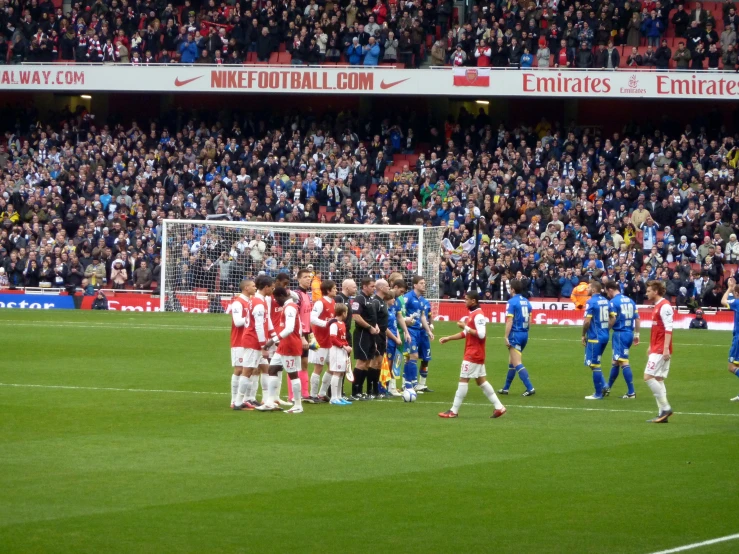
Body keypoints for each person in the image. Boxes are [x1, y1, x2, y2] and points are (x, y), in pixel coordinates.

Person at [438, 291, 506, 419]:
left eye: (466, 300)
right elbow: (465, 333)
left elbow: (481, 334)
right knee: (481, 381)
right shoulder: (473, 314)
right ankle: (499, 407)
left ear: (473, 301)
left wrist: (465, 326)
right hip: (476, 354)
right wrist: (449, 338)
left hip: (473, 354)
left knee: (463, 380)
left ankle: (453, 411)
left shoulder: (478, 315)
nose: (465, 302)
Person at [264, 287, 305, 414]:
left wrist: (272, 340)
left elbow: (290, 328)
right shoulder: (289, 306)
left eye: (276, 298)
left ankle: (298, 405)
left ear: (282, 296)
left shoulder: (290, 308)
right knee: (272, 369)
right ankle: (270, 402)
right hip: (284, 345)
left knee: (292, 374)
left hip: (290, 345)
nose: (276, 301)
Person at [644, 280, 674, 423]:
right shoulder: (657, 306)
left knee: (648, 376)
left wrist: (666, 348)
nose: (646, 293)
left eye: (649, 291)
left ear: (655, 292)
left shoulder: (665, 306)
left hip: (662, 348)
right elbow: (657, 329)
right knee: (659, 378)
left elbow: (669, 328)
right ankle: (662, 413)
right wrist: (651, 345)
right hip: (656, 346)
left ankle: (666, 407)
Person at [605, 280, 641, 399]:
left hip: (620, 334)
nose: (607, 295)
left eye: (607, 292)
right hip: (629, 333)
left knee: (623, 362)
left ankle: (631, 392)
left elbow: (613, 319)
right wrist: (637, 335)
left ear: (610, 289)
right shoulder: (630, 301)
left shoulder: (613, 302)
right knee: (615, 361)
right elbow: (637, 319)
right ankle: (607, 387)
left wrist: (606, 329)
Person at [500, 279, 536, 396]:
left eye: (510, 288)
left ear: (513, 289)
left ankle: (530, 388)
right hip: (524, 334)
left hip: (515, 334)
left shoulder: (511, 302)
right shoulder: (527, 302)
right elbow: (530, 321)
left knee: (517, 362)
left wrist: (506, 336)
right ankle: (506, 388)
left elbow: (509, 320)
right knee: (512, 362)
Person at [402, 276, 434, 392]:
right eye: (421, 283)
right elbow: (400, 313)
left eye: (424, 283)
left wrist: (429, 330)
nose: (423, 285)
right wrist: (405, 326)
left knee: (417, 357)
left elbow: (423, 317)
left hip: (419, 332)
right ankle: (408, 383)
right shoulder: (407, 298)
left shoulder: (421, 300)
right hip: (410, 331)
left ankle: (411, 383)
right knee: (412, 356)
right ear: (415, 285)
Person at [307, 279, 337, 403]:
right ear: (328, 290)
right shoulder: (320, 303)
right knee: (318, 367)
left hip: (329, 339)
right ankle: (313, 395)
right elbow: (312, 318)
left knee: (332, 367)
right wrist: (326, 323)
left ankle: (322, 393)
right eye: (334, 288)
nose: (336, 290)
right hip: (317, 339)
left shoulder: (333, 302)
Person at [581, 281, 611, 400]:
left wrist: (583, 334)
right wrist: (605, 329)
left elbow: (587, 321)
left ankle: (598, 393)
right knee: (595, 363)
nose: (587, 289)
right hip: (604, 335)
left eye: (588, 287)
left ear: (593, 290)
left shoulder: (591, 302)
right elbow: (613, 318)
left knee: (594, 364)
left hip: (595, 337)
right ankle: (604, 385)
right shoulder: (606, 301)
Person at [351, 277, 378, 400]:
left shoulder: (370, 299)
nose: (374, 288)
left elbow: (372, 317)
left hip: (371, 334)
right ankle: (355, 391)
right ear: (365, 286)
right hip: (362, 334)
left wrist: (375, 326)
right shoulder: (359, 298)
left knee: (367, 362)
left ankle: (361, 391)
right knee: (361, 362)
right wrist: (369, 327)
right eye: (372, 286)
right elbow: (356, 316)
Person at [230, 279, 254, 409]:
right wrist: (251, 318)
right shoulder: (237, 303)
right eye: (252, 286)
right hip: (238, 341)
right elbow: (237, 321)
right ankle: (234, 400)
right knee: (239, 369)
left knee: (248, 370)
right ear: (246, 288)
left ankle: (244, 399)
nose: (255, 288)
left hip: (248, 340)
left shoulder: (250, 301)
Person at [328, 304, 353, 405]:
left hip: (342, 350)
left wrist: (348, 346)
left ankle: (339, 396)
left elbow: (343, 338)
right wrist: (344, 346)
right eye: (346, 312)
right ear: (343, 313)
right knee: (337, 373)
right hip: (336, 350)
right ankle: (333, 398)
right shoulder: (334, 324)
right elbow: (333, 339)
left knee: (342, 373)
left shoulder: (342, 323)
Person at [720, 278, 739, 401]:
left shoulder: (737, 303)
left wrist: (729, 288)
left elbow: (723, 301)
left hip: (738, 339)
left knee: (731, 367)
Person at [416, 293, 434, 392]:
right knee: (411, 358)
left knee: (426, 359)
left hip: (424, 334)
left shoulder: (426, 302)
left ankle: (422, 384)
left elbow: (430, 315)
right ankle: (409, 383)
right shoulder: (410, 300)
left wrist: (431, 325)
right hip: (415, 332)